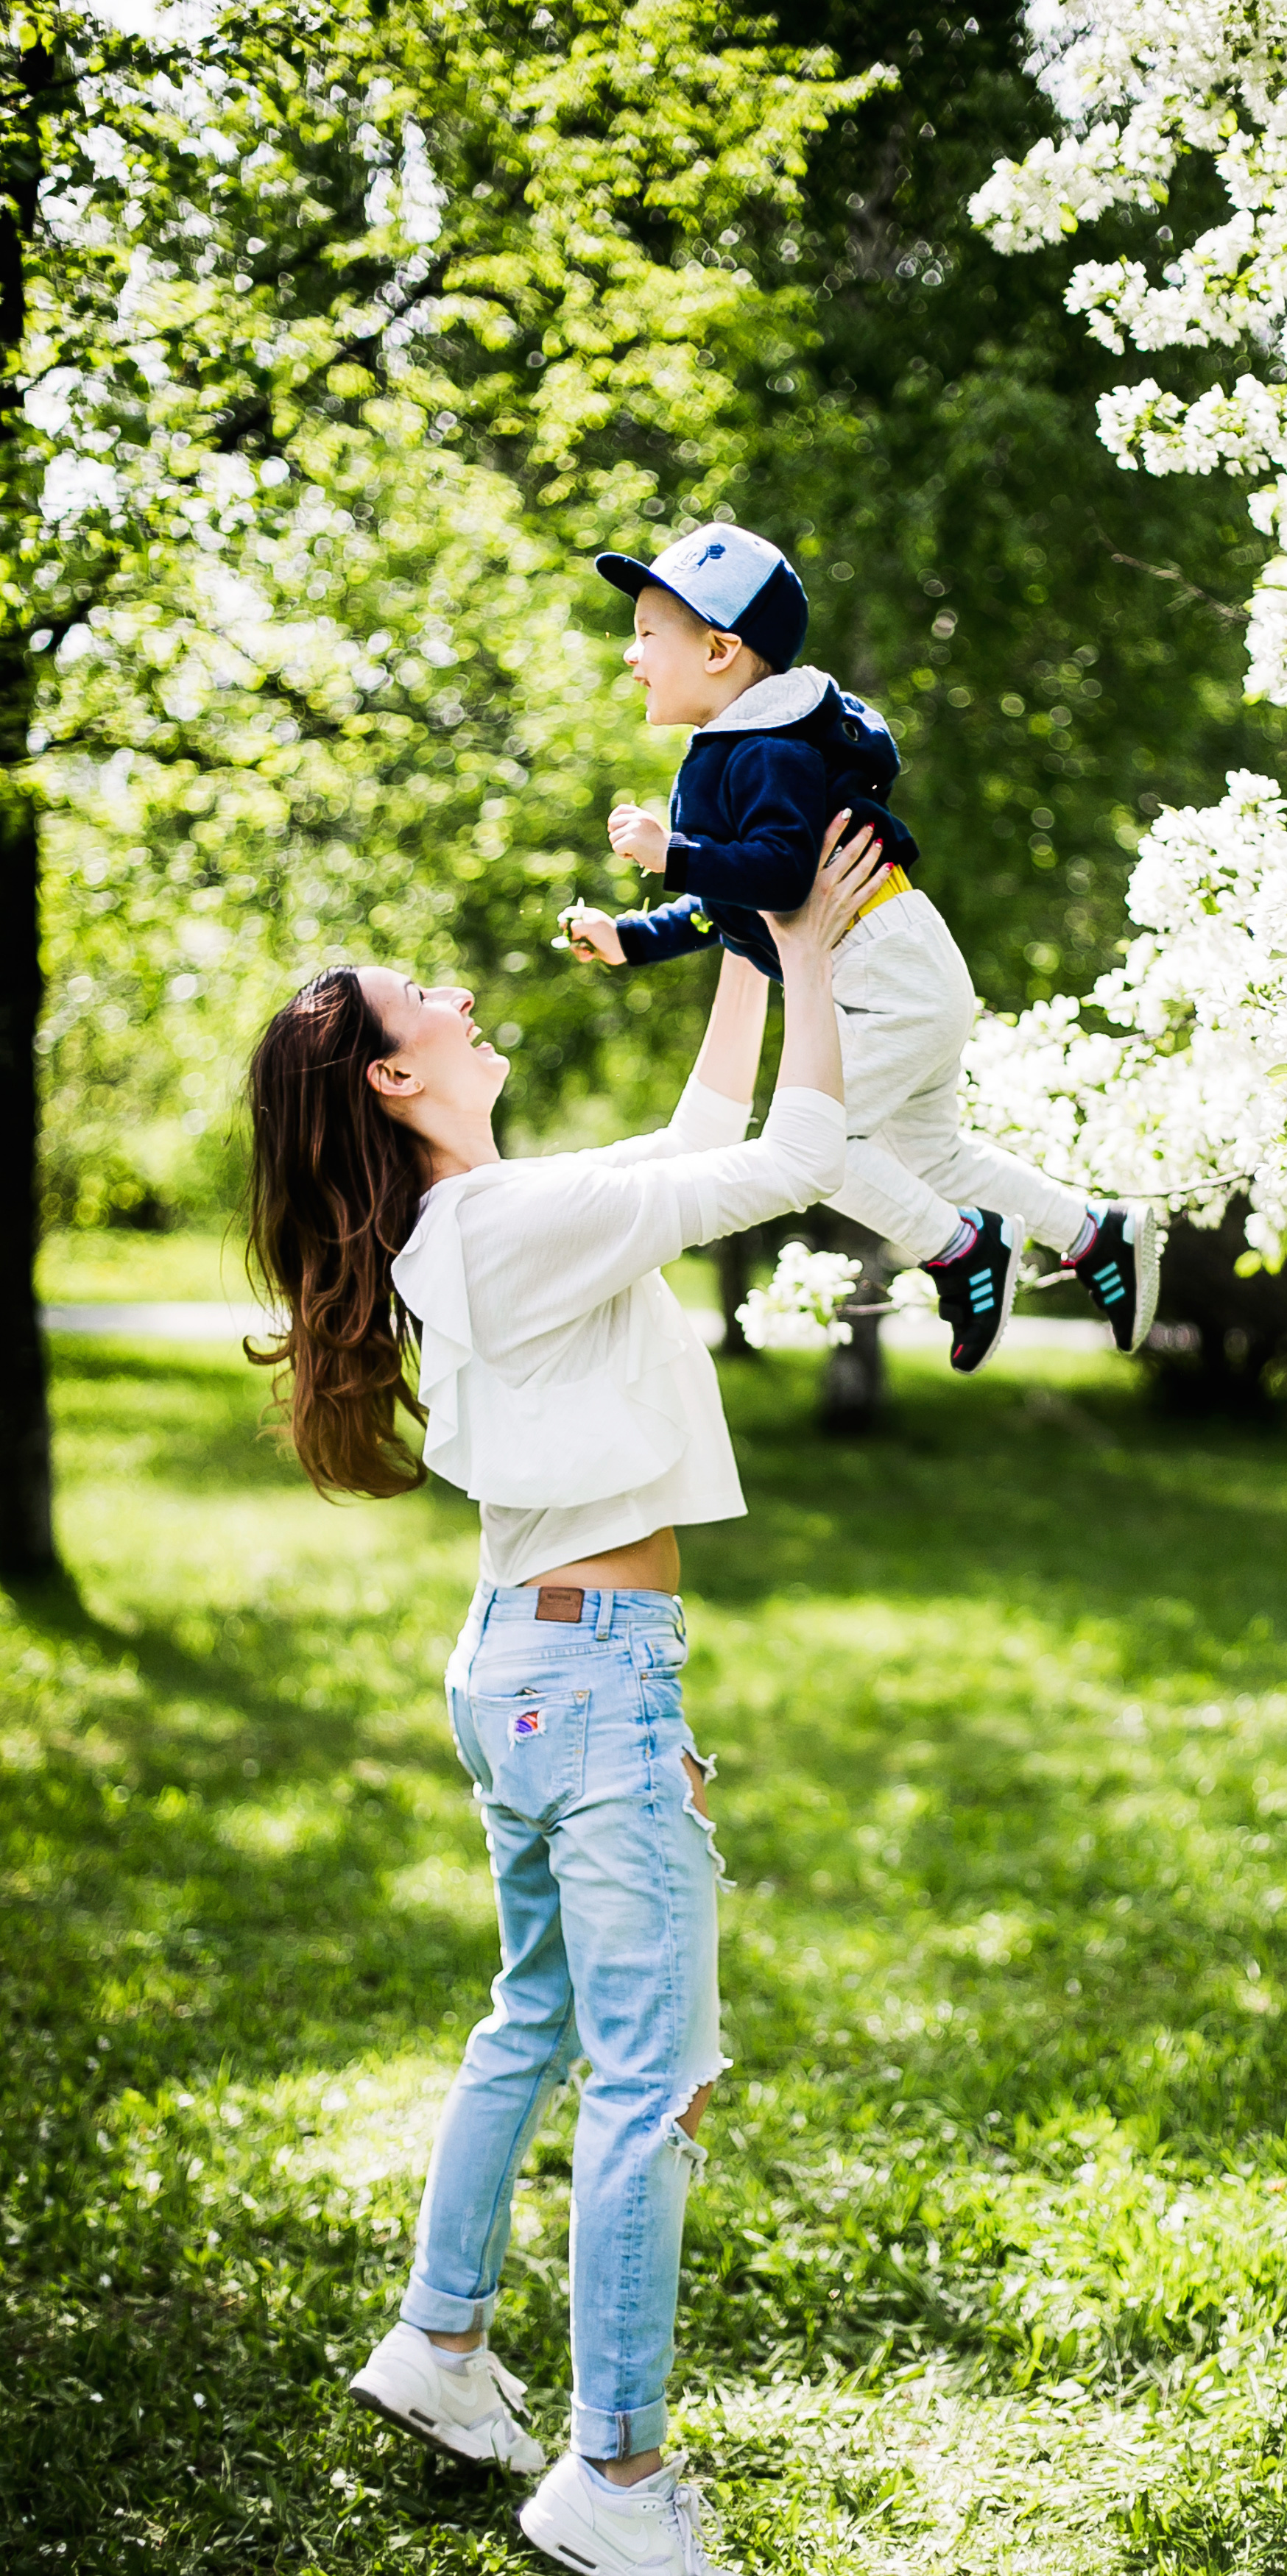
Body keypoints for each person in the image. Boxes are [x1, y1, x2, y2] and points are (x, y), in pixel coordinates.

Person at [243, 821, 883, 2576]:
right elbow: (790, 1158)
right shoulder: (507, 1223)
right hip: (589, 1681)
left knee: (534, 2021)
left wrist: (742, 942)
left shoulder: (482, 1224)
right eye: (423, 996)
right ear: (393, 1073)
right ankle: (614, 2479)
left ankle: (441, 2346)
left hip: (525, 1665)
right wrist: (816, 942)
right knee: (650, 2083)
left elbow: (687, 1147)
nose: (459, 992)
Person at [557, 520, 1160, 1372]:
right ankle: (1094, 1233)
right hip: (894, 967)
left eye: (648, 634)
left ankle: (958, 1248)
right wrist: (631, 938)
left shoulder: (766, 750)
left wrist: (672, 853)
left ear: (721, 649)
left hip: (888, 968)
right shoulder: (742, 745)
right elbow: (735, 902)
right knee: (932, 1152)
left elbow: (775, 875)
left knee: (812, 1146)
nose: (631, 654)